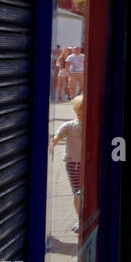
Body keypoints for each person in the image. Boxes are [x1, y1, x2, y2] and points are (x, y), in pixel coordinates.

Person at [49, 94, 85, 234]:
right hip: (73, 164)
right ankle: (81, 218)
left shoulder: (93, 124)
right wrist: (52, 144)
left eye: (83, 113)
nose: (80, 116)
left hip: (86, 163)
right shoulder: (69, 126)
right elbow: (57, 137)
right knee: (77, 193)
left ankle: (85, 217)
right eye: (78, 113)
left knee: (84, 192)